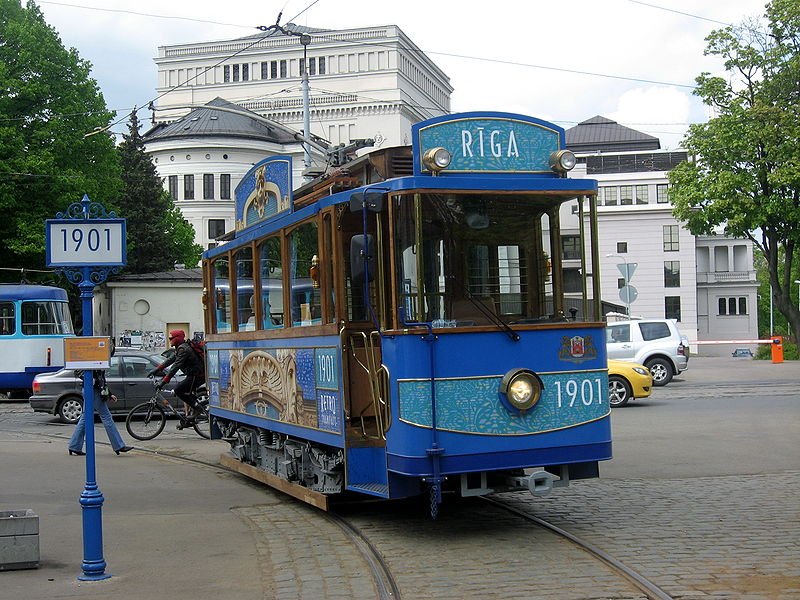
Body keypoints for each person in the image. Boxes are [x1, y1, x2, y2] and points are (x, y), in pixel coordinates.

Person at [68, 340, 133, 456]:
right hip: (93, 391)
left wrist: (109, 393)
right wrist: (91, 381)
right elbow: (95, 378)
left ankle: (74, 446)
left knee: (85, 418)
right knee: (106, 417)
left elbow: (101, 380)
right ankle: (119, 445)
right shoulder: (95, 359)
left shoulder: (98, 359)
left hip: (91, 390)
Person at [150, 329, 205, 421]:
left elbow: (175, 367)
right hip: (194, 374)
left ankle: (197, 408)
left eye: (171, 338)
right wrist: (157, 369)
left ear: (178, 338)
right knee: (184, 391)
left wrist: (163, 382)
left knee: (178, 390)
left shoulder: (183, 349)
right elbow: (171, 360)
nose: (170, 340)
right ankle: (193, 411)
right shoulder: (180, 348)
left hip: (197, 375)